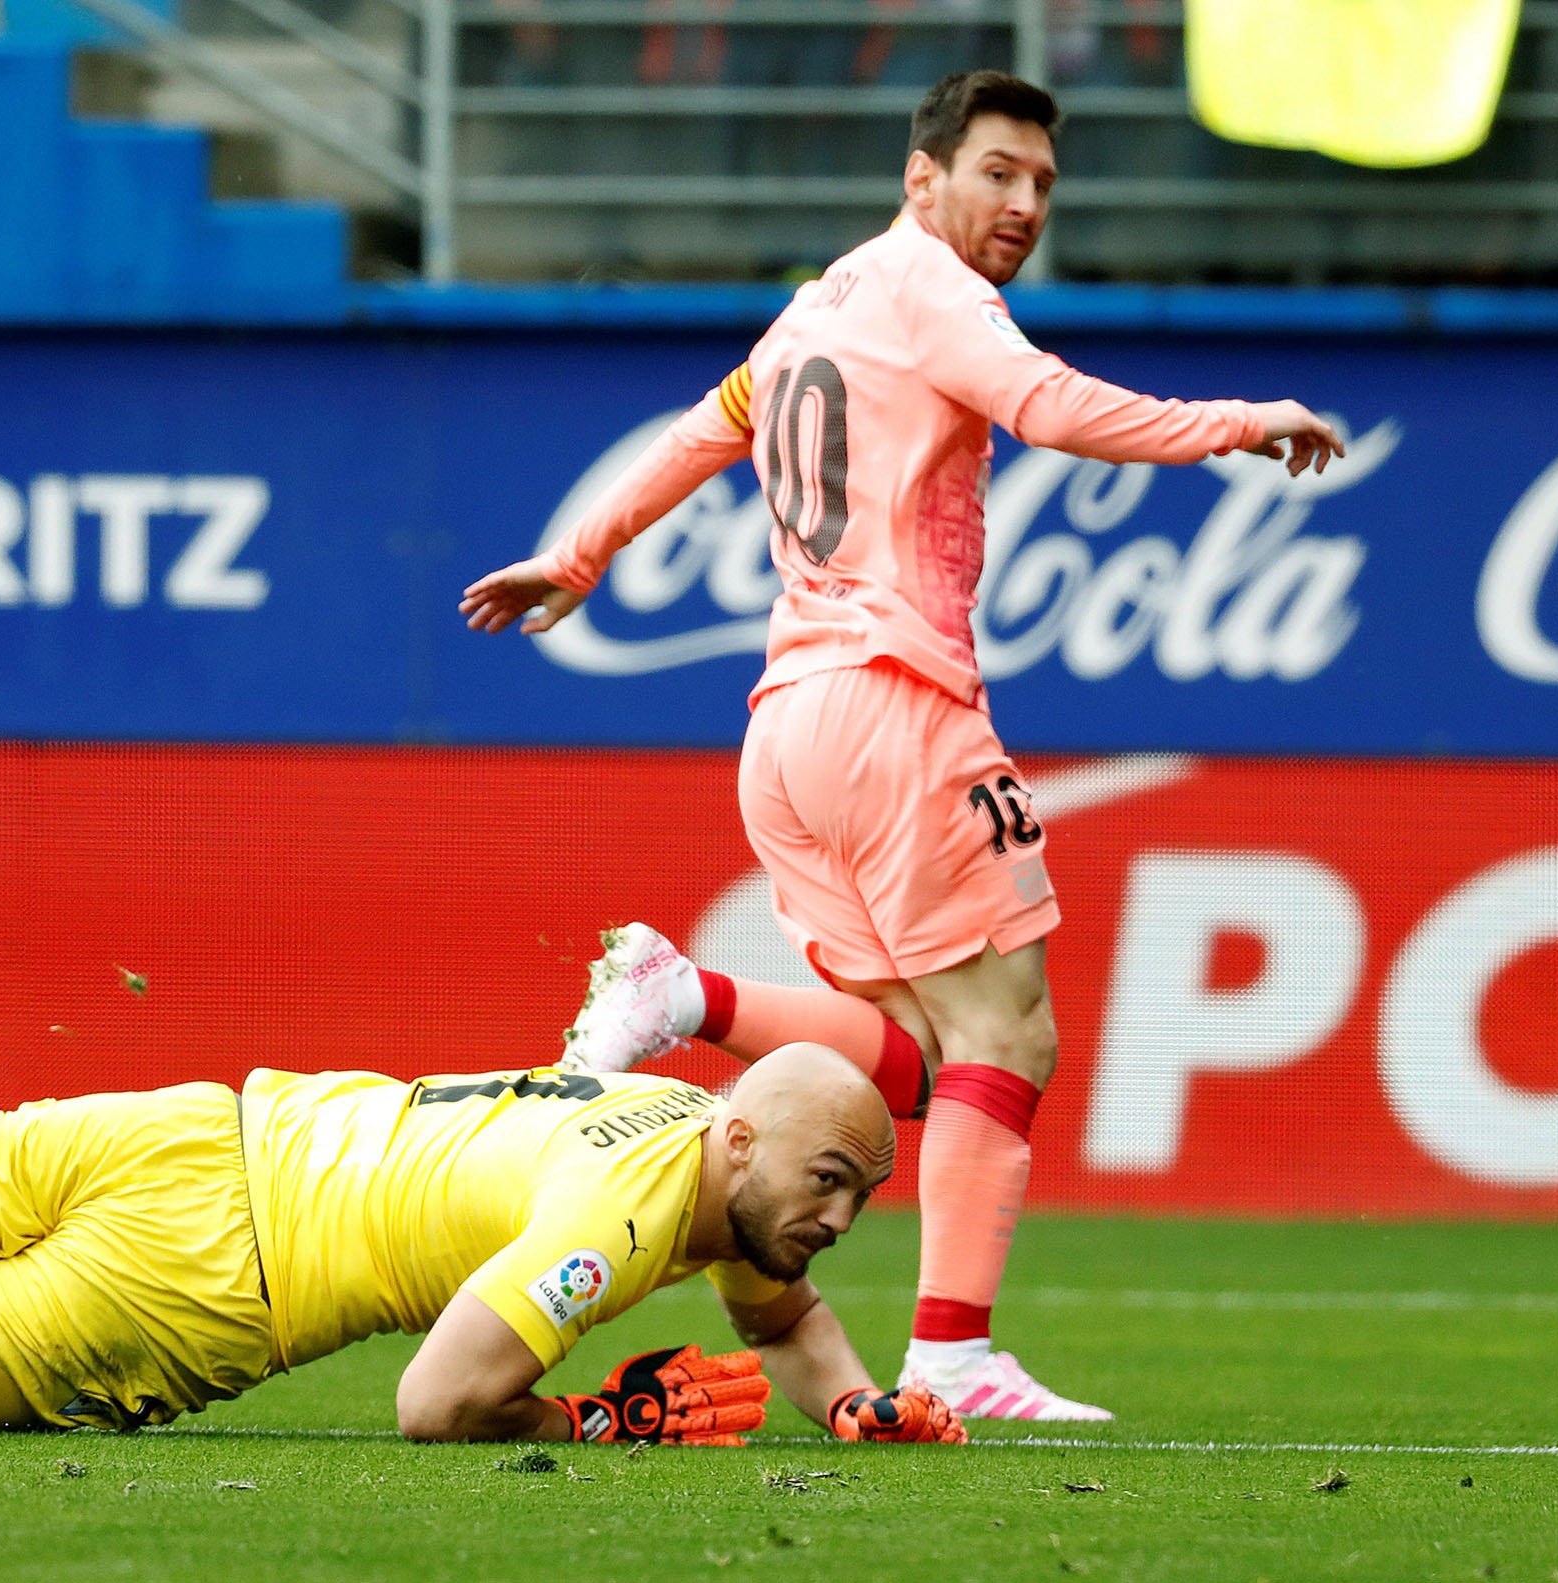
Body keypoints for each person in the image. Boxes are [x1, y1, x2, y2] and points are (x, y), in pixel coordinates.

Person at [460, 68, 1343, 1422]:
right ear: (922, 177)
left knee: (925, 1060)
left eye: (1042, 182)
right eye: (998, 171)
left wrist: (575, 554)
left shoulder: (824, 302)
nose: (1024, 202)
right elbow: (1044, 406)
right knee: (1016, 1029)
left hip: (788, 732)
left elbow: (710, 426)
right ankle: (953, 1355)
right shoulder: (937, 292)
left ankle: (685, 994)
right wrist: (1241, 420)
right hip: (895, 705)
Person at [0, 1042, 964, 1448]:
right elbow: (438, 1400)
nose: (840, 1222)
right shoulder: (616, 1218)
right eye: (828, 1183)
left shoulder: (702, 1134)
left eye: (859, 1194)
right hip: (199, 1284)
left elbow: (785, 1314)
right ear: (748, 1140)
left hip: (189, 1125)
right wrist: (604, 1417)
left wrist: (856, 1401)